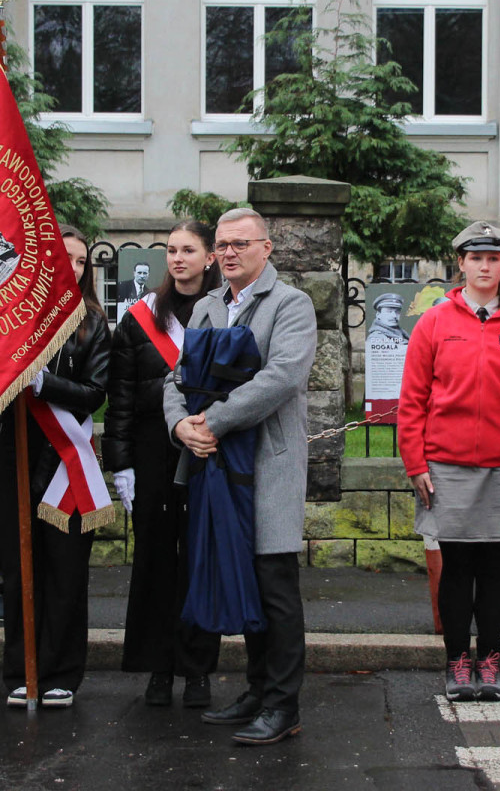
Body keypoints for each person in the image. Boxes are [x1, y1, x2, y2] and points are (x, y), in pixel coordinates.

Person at [163, 208, 316, 746]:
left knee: (275, 587)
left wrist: (213, 420)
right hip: (215, 467)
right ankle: (255, 691)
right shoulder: (205, 307)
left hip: (265, 467)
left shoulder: (291, 305)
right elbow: (176, 377)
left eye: (241, 244)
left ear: (266, 248)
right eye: (223, 245)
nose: (229, 253)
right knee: (241, 579)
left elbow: (282, 378)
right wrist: (182, 423)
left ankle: (282, 704)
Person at [397, 221, 500, 703]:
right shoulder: (435, 322)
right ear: (461, 264)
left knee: (494, 568)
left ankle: (489, 659)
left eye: (493, 259)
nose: (485, 266)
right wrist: (415, 463)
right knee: (455, 568)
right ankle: (457, 661)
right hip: (446, 465)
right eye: (475, 258)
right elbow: (413, 401)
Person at [0, 223, 111, 709]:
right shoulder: (11, 316)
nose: (74, 268)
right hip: (13, 452)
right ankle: (21, 670)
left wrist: (46, 386)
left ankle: (61, 672)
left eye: (82, 262)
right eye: (66, 258)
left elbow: (96, 393)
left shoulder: (92, 322)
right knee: (18, 568)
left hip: (66, 455)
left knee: (64, 570)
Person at [105, 222, 223, 708]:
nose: (178, 258)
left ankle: (197, 671)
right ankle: (158, 667)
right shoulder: (139, 318)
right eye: (171, 250)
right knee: (154, 563)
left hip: (207, 453)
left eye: (188, 250)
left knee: (200, 563)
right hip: (153, 456)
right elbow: (121, 398)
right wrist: (121, 463)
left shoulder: (224, 311)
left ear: (209, 257)